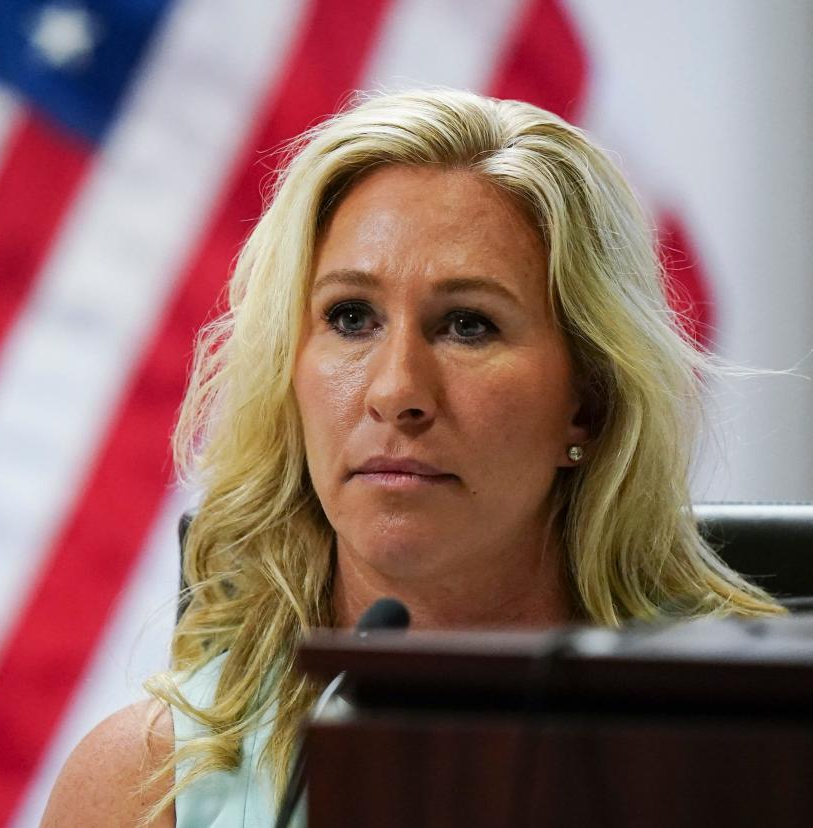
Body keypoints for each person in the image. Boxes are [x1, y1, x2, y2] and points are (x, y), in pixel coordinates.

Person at [40, 88, 782, 827]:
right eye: (350, 317)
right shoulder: (145, 786)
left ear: (587, 402)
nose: (396, 391)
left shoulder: (760, 762)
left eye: (467, 324)